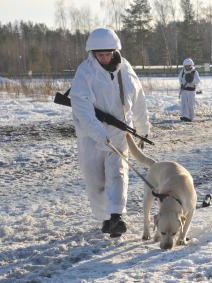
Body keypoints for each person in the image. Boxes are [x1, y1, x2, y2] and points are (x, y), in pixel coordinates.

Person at [70, 28, 151, 238]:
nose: (104, 58)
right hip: (91, 137)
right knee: (95, 180)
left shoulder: (126, 70)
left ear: (114, 51)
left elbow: (139, 100)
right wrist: (98, 133)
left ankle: (117, 216)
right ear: (93, 53)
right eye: (100, 55)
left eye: (107, 54)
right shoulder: (85, 73)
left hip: (119, 133)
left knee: (118, 173)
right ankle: (105, 217)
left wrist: (143, 130)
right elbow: (82, 109)